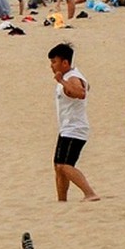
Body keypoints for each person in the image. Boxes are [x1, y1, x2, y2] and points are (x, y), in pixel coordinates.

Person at [48, 43, 99, 202]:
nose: (51, 66)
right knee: (58, 166)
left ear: (65, 63)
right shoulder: (74, 75)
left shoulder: (72, 77)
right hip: (66, 128)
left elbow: (80, 93)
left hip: (75, 128)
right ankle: (62, 200)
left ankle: (90, 193)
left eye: (54, 62)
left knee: (65, 165)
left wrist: (62, 81)